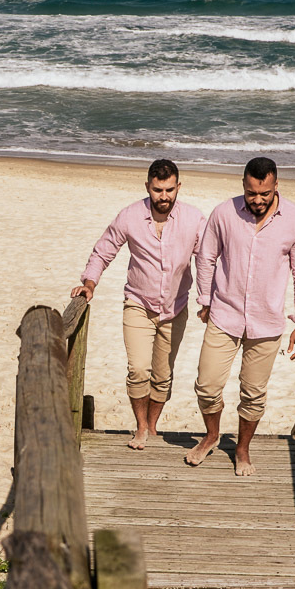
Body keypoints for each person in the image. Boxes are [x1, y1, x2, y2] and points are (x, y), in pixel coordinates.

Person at [186, 156, 295, 475]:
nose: (257, 200)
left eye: (264, 194)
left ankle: (242, 449)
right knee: (207, 386)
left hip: (267, 322)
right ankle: (212, 436)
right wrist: (205, 299)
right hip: (224, 315)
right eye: (251, 193)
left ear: (276, 186)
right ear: (243, 185)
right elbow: (206, 257)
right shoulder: (223, 213)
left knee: (253, 394)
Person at [71, 159, 207, 449]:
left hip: (176, 308)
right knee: (138, 370)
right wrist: (90, 283)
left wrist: (208, 298)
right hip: (138, 304)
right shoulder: (130, 216)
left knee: (163, 375)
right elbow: (103, 251)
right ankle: (141, 427)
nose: (164, 196)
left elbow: (207, 261)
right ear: (147, 187)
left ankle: (153, 425)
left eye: (169, 190)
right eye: (158, 190)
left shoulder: (194, 219)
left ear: (178, 187)